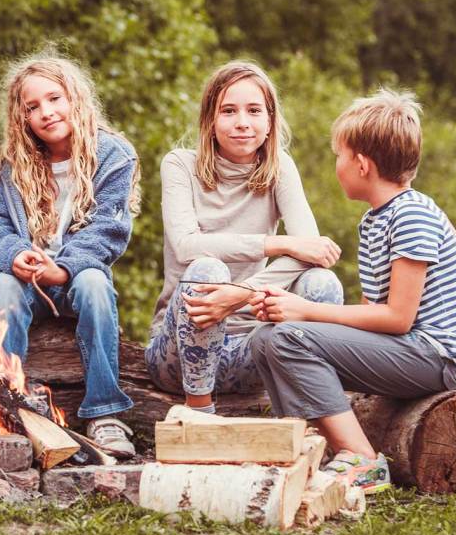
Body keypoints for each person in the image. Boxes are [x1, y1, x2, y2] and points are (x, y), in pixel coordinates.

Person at [248, 88, 456, 494]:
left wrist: (305, 312)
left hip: (433, 356)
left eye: (339, 155)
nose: (336, 164)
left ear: (362, 164)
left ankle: (363, 460)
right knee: (266, 338)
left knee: (289, 337)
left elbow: (398, 318)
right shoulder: (374, 221)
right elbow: (374, 316)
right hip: (405, 348)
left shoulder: (411, 216)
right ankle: (301, 446)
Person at [145, 61, 344, 414]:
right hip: (177, 356)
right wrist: (278, 243)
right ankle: (199, 415)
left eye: (254, 111)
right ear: (209, 121)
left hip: (248, 351)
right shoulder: (180, 165)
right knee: (207, 271)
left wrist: (241, 296)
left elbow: (311, 250)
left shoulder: (279, 167)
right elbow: (187, 245)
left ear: (270, 121)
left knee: (321, 283)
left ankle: (313, 420)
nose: (242, 122)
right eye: (228, 111)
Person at [0, 53, 141, 456]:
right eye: (33, 107)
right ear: (22, 118)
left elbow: (110, 230)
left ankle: (105, 413)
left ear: (75, 99)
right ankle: (1, 405)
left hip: (75, 277)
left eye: (54, 99)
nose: (46, 112)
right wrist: (14, 254)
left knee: (96, 283)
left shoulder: (113, 155)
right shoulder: (15, 166)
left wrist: (62, 269)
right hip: (27, 281)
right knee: (1, 285)